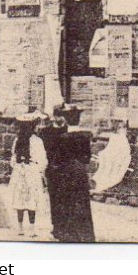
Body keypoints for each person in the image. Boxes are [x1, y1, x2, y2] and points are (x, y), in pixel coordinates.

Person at [43, 104, 95, 242]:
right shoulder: (85, 136)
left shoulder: (63, 137)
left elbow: (58, 158)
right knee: (82, 202)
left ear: (66, 119)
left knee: (66, 202)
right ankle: (85, 234)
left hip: (66, 173)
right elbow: (87, 158)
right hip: (80, 173)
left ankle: (68, 233)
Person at [7, 114, 48, 238]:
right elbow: (42, 159)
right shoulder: (35, 141)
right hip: (29, 171)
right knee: (29, 199)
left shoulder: (20, 140)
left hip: (22, 171)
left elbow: (13, 158)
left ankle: (23, 227)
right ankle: (29, 228)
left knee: (23, 197)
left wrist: (18, 166)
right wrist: (39, 170)